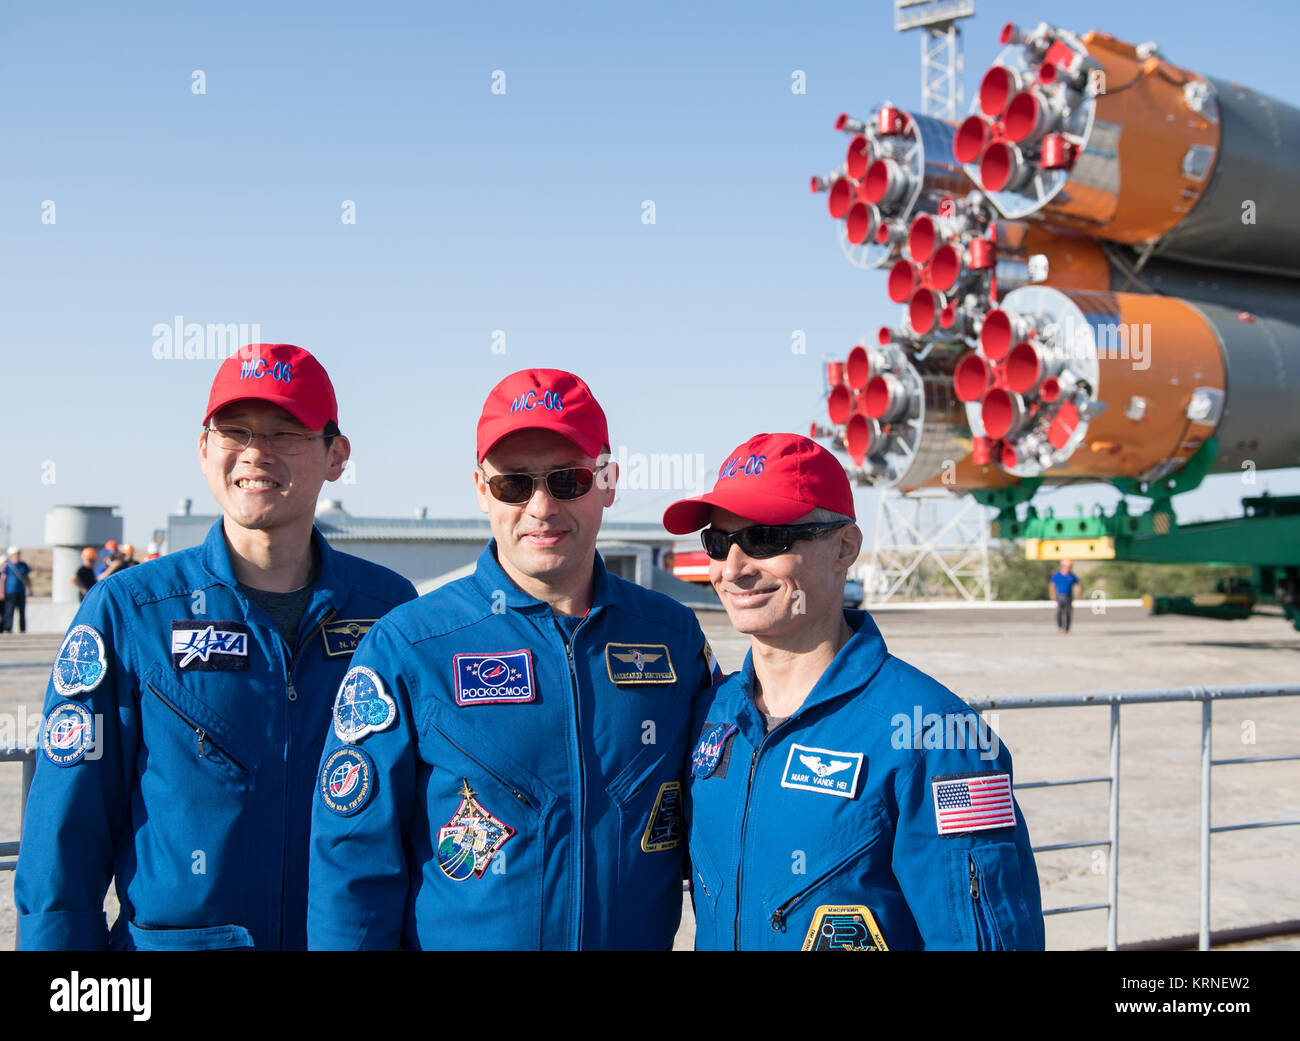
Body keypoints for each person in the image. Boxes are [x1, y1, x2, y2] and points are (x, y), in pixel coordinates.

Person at [15, 343, 417, 950]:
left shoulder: (390, 610)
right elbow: (63, 839)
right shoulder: (129, 612)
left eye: (286, 432)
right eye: (234, 431)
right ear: (204, 449)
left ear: (337, 455)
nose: (256, 452)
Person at [308, 368, 719, 950]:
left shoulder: (671, 635)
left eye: (568, 480)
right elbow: (351, 865)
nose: (542, 506)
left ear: (608, 481)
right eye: (514, 485)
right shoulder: (410, 645)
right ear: (481, 489)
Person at [663, 432, 1044, 950]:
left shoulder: (938, 738)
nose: (733, 569)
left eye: (767, 539)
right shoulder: (710, 715)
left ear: (845, 547)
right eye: (718, 542)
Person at [2, 548, 33, 633]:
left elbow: (27, 578)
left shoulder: (23, 565)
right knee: (9, 611)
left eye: (18, 554)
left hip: (21, 592)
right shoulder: (8, 566)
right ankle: (8, 628)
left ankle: (22, 629)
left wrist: (30, 589)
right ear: (11, 555)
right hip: (10, 592)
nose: (17, 556)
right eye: (15, 554)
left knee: (22, 612)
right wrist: (1, 592)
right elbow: (3, 579)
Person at [1050, 559, 1080, 633]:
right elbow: (1052, 585)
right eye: (1067, 566)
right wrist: (1052, 594)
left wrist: (1078, 594)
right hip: (1059, 596)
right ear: (1063, 566)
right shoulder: (1057, 575)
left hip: (1068, 596)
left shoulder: (1072, 576)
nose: (1068, 568)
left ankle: (1067, 629)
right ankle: (1060, 627)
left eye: (1070, 566)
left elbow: (1078, 585)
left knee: (1068, 613)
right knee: (1059, 612)